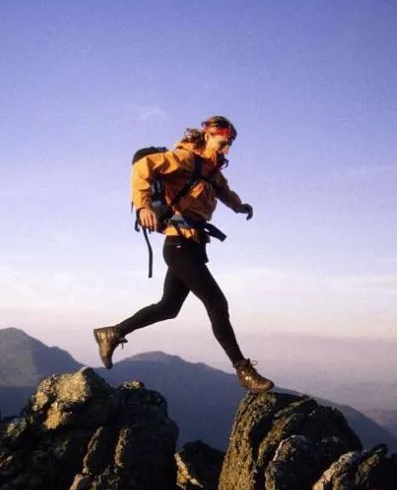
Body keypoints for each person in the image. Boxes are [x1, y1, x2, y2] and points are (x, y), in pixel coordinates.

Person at [93, 115, 274, 393]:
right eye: (222, 143)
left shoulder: (211, 171)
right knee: (216, 303)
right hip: (179, 245)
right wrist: (143, 206)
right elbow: (144, 167)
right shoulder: (185, 159)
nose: (225, 150)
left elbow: (224, 192)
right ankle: (243, 370)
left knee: (168, 307)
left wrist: (239, 207)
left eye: (229, 146)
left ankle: (112, 333)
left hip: (192, 244)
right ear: (208, 136)